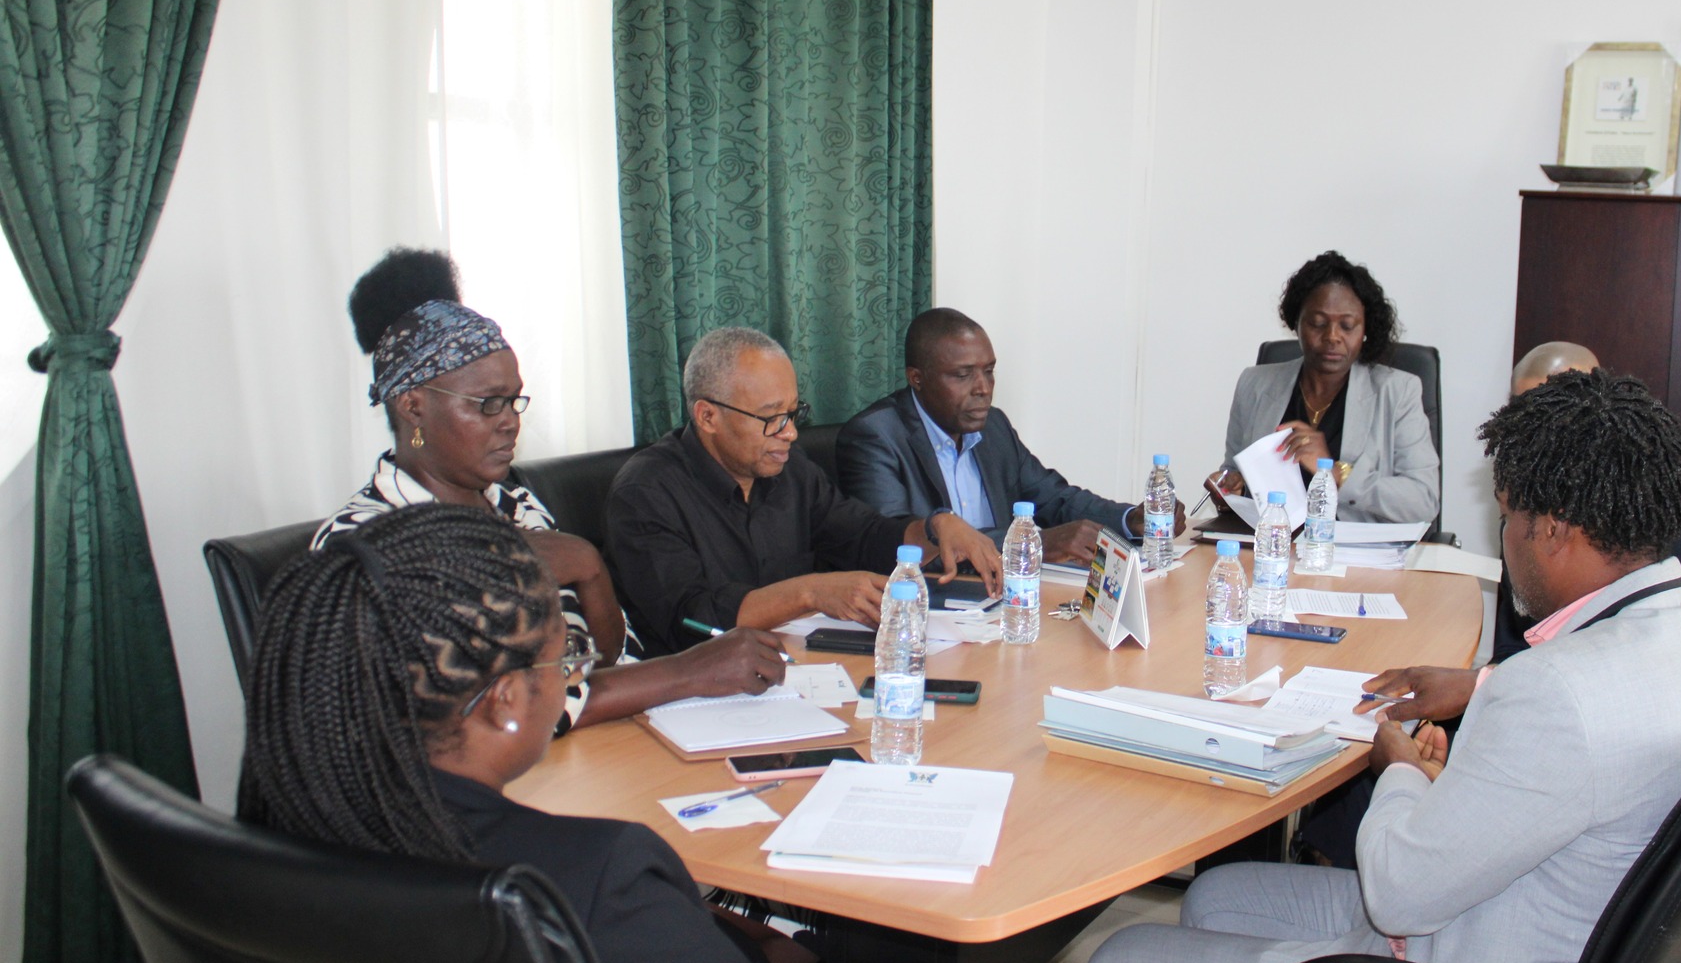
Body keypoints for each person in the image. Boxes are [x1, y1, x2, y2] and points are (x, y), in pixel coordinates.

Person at [1086, 369, 1681, 963]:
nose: (1505, 539)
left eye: (1508, 518)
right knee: (1214, 898)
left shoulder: (1552, 693)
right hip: (1549, 943)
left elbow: (1399, 891)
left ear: (1557, 530)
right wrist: (1463, 751)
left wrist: (1402, 775)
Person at [239, 504, 924, 963]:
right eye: (565, 658)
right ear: (506, 699)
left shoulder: (275, 821)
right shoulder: (597, 879)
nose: (574, 677)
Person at [321, 249, 788, 733]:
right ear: (412, 407)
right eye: (488, 404)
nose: (509, 421)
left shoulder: (514, 506)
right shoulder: (362, 542)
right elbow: (493, 714)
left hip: (592, 755)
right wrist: (687, 670)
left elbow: (601, 661)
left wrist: (588, 569)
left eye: (514, 400)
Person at [1370, 340, 1681, 736]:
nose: (1540, 434)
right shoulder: (1527, 497)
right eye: (1526, 414)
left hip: (1675, 718)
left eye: (1559, 410)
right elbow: (1514, 643)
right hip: (1548, 708)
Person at [607, 326, 1005, 650]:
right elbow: (691, 620)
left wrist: (936, 528)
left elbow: (862, 535)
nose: (790, 433)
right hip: (695, 695)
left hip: (797, 671)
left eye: (793, 413)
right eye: (771, 418)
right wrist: (809, 592)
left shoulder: (789, 469)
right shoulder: (646, 493)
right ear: (708, 416)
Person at [837, 307, 1184, 564]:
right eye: (962, 375)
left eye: (989, 372)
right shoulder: (875, 436)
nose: (983, 389)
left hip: (1005, 598)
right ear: (917, 378)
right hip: (933, 610)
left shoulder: (994, 427)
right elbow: (894, 543)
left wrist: (1130, 520)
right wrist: (1033, 543)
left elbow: (1055, 499)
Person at [1208, 250, 1438, 524]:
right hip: (1273, 549)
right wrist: (1230, 488)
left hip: (1357, 557)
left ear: (1365, 329)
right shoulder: (1254, 385)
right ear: (1296, 323)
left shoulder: (1398, 392)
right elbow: (1235, 471)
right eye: (1318, 323)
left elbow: (1423, 500)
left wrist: (1337, 474)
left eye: (1347, 325)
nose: (1332, 337)